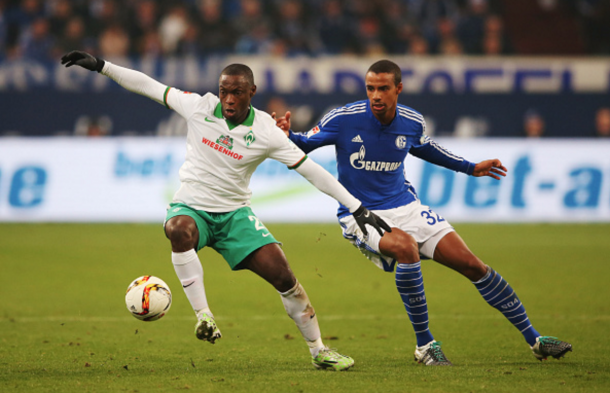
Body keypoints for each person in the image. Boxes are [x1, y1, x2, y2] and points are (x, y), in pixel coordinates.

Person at [60, 50, 392, 371]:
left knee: (284, 277)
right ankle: (204, 315)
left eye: (236, 93)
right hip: (192, 208)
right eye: (224, 92)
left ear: (251, 92)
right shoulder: (199, 107)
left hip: (235, 216)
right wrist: (102, 66)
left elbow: (310, 170)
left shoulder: (266, 131)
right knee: (178, 229)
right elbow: (148, 85)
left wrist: (356, 207)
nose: (229, 100)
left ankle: (319, 351)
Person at [275, 59, 572, 366]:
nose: (376, 95)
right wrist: (287, 136)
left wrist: (470, 168)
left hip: (407, 206)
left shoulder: (411, 121)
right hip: (361, 213)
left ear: (398, 89)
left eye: (383, 88)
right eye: (370, 88)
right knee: (406, 249)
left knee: (473, 265)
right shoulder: (343, 118)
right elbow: (304, 144)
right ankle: (425, 346)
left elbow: (427, 147)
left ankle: (535, 339)